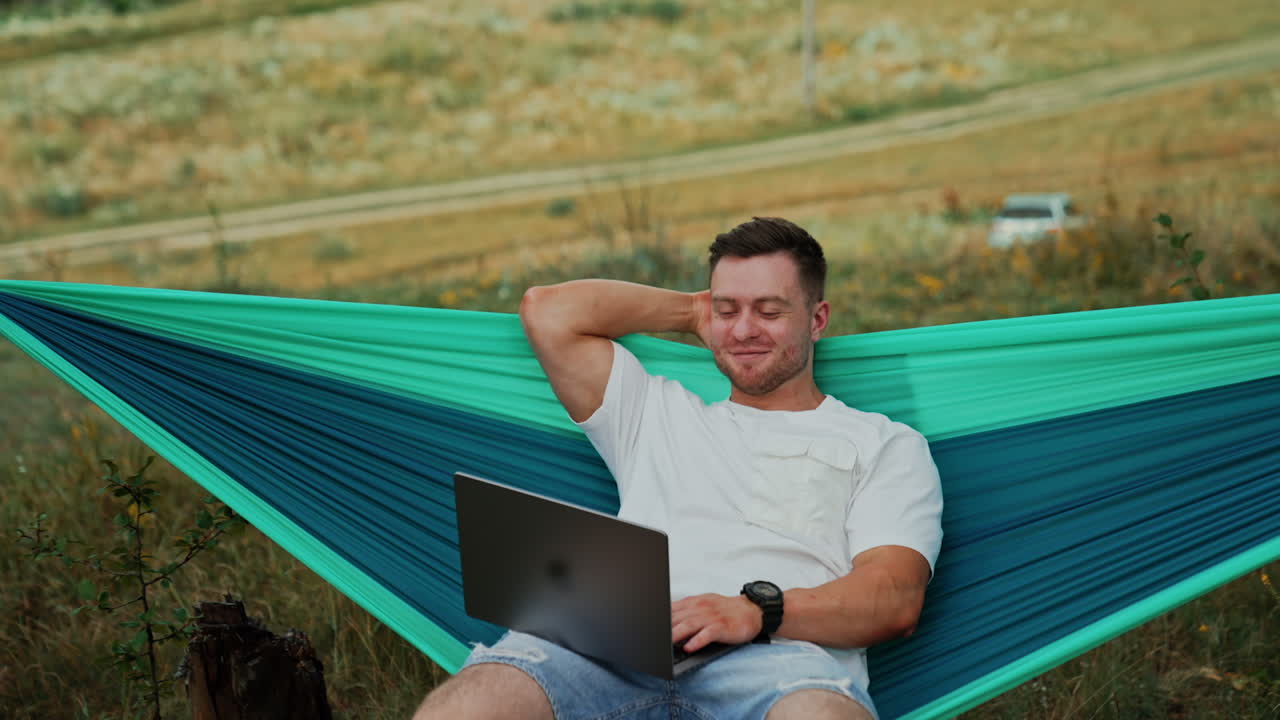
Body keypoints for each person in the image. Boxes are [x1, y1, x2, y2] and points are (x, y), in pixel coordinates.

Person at [414, 217, 943, 720]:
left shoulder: (882, 443)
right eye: (727, 310)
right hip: (610, 649)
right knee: (472, 702)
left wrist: (757, 612)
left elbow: (894, 597)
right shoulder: (653, 412)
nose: (743, 330)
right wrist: (692, 311)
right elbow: (549, 311)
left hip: (778, 659)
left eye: (769, 311)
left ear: (817, 319)